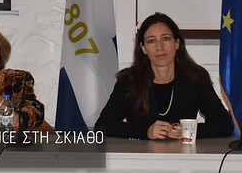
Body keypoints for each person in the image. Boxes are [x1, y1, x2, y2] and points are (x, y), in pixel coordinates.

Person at [95, 12, 233, 140]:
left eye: (166, 39)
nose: (159, 47)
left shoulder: (195, 78)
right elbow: (102, 126)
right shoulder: (129, 81)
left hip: (183, 156)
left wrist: (189, 130)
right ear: (143, 48)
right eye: (151, 41)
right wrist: (145, 132)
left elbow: (224, 125)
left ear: (177, 44)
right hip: (140, 156)